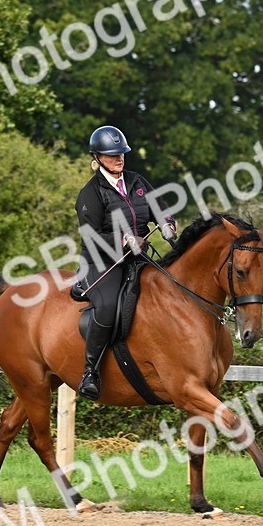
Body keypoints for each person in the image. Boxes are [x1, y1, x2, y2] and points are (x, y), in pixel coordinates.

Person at [72, 125, 177, 400]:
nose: (119, 159)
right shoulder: (90, 193)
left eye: (122, 153)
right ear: (97, 157)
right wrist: (123, 241)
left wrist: (167, 223)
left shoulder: (136, 181)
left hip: (139, 258)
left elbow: (159, 206)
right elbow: (91, 236)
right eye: (112, 155)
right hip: (102, 263)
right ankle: (90, 373)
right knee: (107, 307)